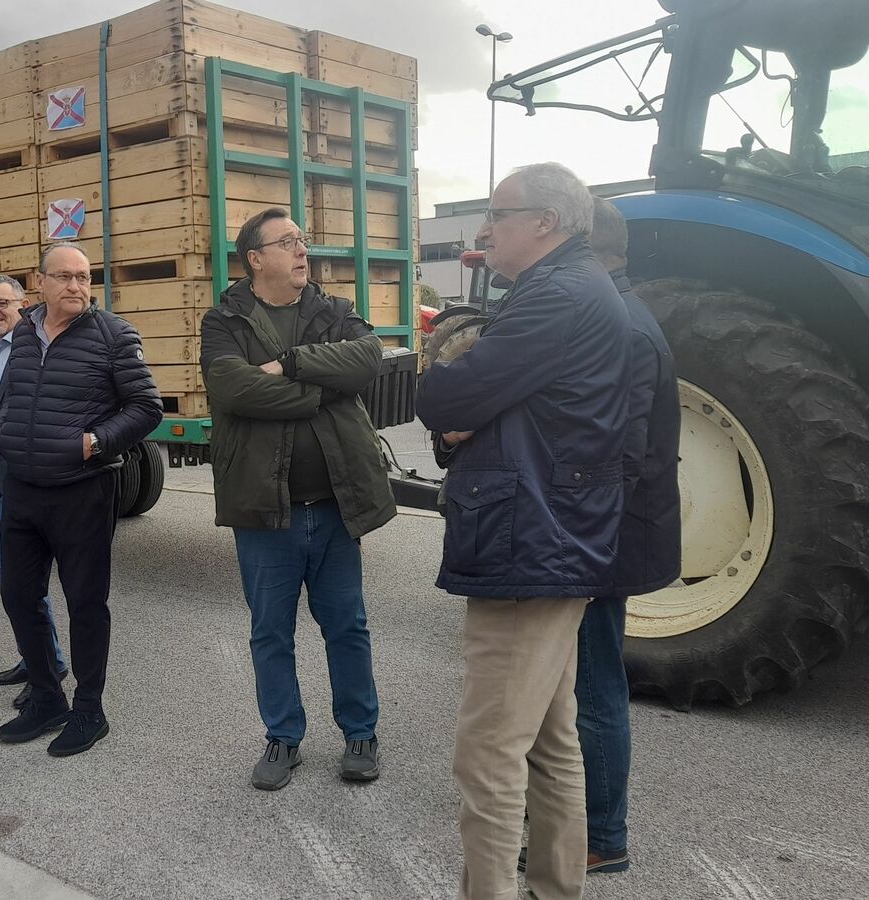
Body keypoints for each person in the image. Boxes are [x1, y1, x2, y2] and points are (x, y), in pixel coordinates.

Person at [416, 162, 630, 900]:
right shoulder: (569, 287)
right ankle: (555, 887)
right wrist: (466, 415)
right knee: (548, 739)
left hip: (529, 540)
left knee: (489, 755)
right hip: (551, 536)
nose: (482, 231)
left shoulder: (556, 297)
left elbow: (446, 389)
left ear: (546, 221)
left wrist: (455, 401)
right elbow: (482, 408)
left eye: (497, 214)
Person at [200, 208, 396, 791]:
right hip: (265, 510)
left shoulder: (331, 310)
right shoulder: (226, 318)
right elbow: (231, 387)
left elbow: (367, 359)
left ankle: (360, 732)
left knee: (347, 625)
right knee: (270, 631)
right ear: (255, 258)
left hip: (335, 504)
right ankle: (283, 738)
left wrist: (288, 365)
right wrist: (320, 395)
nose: (301, 250)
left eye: (302, 240)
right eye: (287, 242)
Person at [0, 242, 161, 756]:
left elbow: (146, 407)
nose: (76, 287)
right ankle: (47, 697)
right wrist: (2, 440)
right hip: (20, 489)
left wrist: (95, 442)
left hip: (81, 491)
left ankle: (89, 709)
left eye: (84, 277)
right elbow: (12, 396)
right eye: (64, 277)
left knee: (86, 603)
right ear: (38, 282)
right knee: (19, 595)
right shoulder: (22, 332)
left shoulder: (113, 334)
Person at [555, 197, 681, 876]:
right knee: (585, 683)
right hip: (601, 534)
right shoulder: (619, 314)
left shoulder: (620, 329)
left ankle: (602, 836)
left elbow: (616, 456)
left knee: (596, 688)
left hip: (598, 541)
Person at [0, 274, 68, 708]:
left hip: (16, 482)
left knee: (22, 584)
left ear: (23, 305)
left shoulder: (29, 352)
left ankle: (49, 666)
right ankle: (34, 657)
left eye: (2, 303)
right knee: (10, 583)